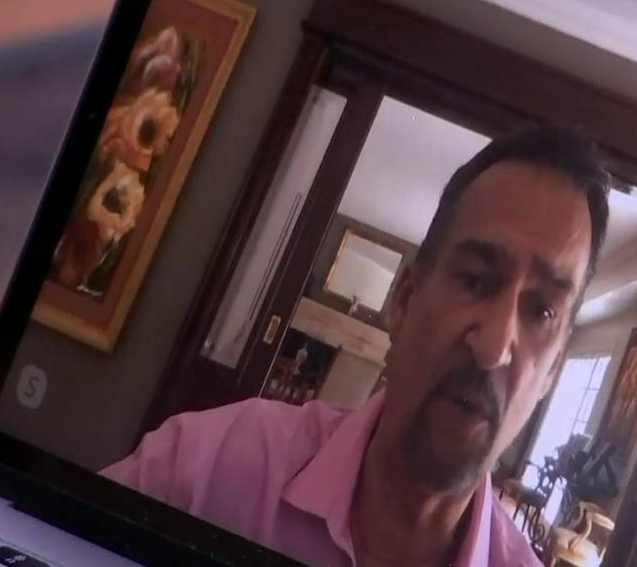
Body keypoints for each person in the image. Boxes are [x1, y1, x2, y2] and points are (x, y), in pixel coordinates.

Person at [103, 125, 611, 566]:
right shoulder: (206, 469)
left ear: (552, 373)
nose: (493, 347)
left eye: (541, 311)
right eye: (476, 280)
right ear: (404, 301)